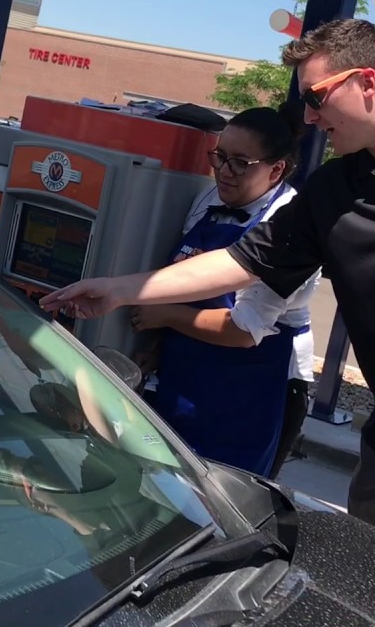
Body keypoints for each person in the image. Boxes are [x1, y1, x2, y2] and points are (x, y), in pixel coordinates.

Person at [39, 18, 375, 627]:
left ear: (364, 81)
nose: (307, 119)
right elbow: (238, 262)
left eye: (314, 97)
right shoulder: (334, 190)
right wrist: (120, 291)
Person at [127, 105, 320, 479]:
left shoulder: (291, 224)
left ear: (276, 169)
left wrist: (165, 316)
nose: (224, 173)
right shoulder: (208, 200)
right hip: (186, 369)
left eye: (240, 163)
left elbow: (244, 330)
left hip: (254, 384)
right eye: (219, 157)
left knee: (228, 492)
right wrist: (157, 343)